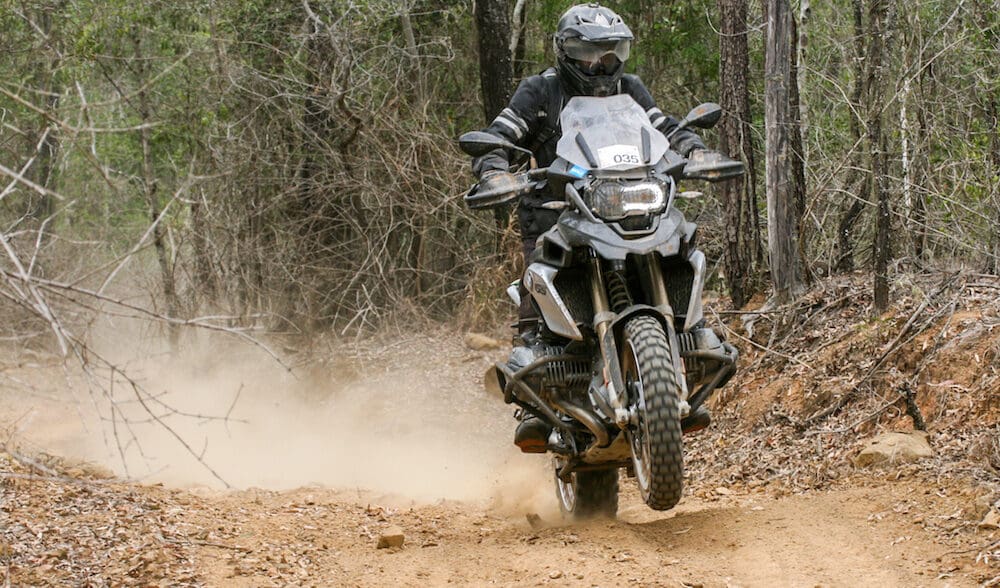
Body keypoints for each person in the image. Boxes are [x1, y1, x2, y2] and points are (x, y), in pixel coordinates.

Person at [470, 3, 712, 452]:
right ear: (566, 51)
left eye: (609, 53)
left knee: (679, 248)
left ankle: (679, 359)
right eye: (588, 53)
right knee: (537, 283)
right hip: (556, 208)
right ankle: (533, 397)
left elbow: (665, 126)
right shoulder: (539, 90)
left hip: (629, 202)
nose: (600, 64)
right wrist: (494, 169)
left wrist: (693, 149)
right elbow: (502, 133)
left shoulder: (631, 87)